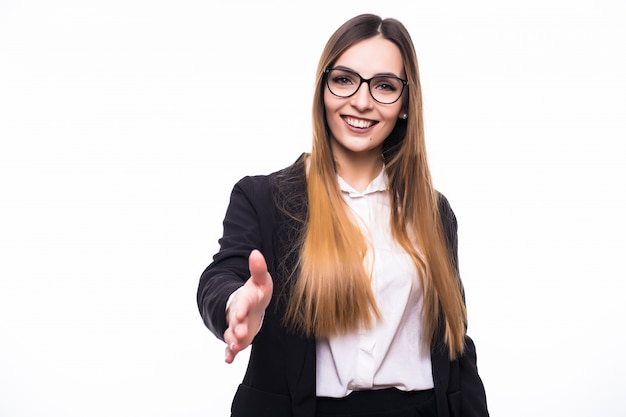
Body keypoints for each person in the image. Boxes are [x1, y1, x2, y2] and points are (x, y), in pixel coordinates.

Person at [197, 13, 489, 417]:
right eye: (345, 79)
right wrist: (236, 303)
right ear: (323, 89)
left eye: (385, 86)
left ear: (406, 103)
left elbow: (456, 345)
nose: (362, 100)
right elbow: (221, 276)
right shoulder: (262, 197)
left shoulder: (434, 212)